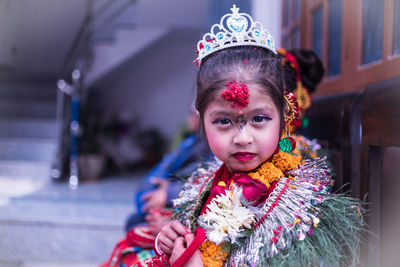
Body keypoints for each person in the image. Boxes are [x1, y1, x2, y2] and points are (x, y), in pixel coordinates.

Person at [101, 5, 364, 267]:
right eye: (224, 121)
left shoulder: (296, 201)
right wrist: (172, 235)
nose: (242, 138)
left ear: (284, 115)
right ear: (201, 122)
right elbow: (196, 230)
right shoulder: (212, 177)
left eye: (259, 119)